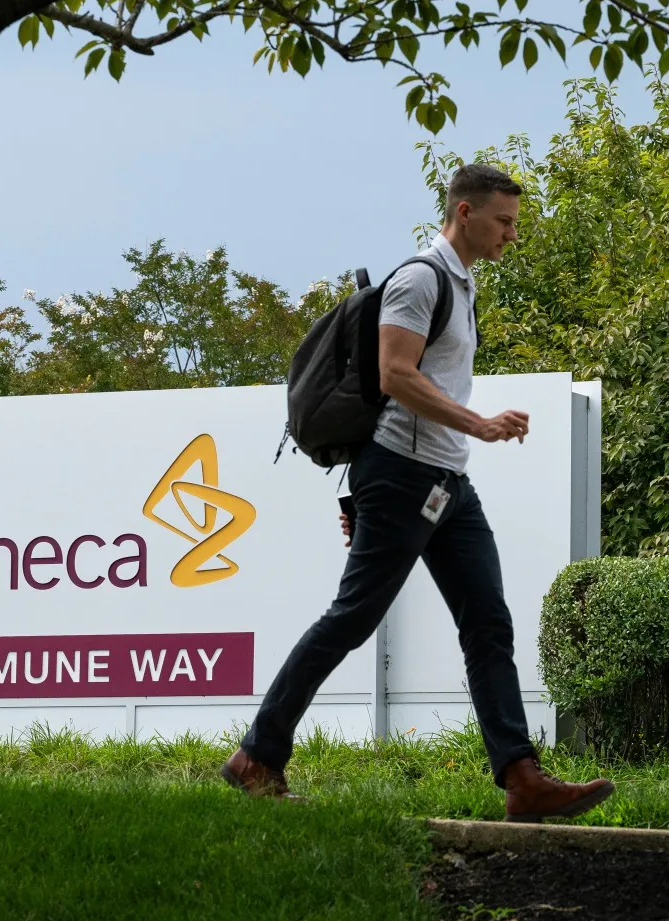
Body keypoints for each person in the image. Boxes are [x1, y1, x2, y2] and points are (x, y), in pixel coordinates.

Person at [221, 163, 614, 821]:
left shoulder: (462, 285)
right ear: (465, 213)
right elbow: (395, 374)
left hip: (446, 483)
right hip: (402, 476)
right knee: (352, 617)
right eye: (504, 221)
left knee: (488, 619)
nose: (512, 235)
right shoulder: (419, 279)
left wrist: (463, 440)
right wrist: (480, 424)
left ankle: (522, 778)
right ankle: (258, 755)